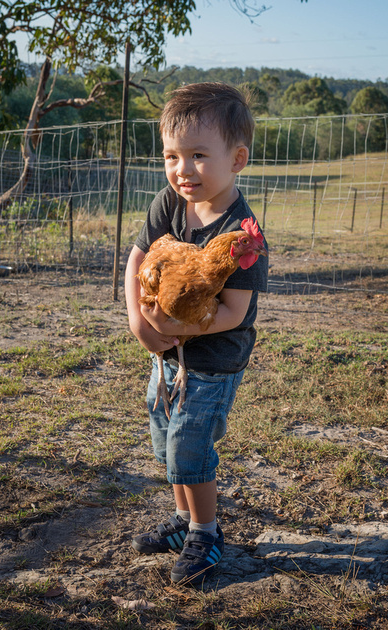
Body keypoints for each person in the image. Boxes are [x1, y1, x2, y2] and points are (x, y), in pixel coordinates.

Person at [124, 82, 268, 585]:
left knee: (190, 447)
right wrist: (139, 322)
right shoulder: (170, 202)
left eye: (199, 155)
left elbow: (233, 312)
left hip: (214, 360)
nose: (182, 169)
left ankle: (206, 533)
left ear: (238, 159)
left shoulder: (243, 231)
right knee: (165, 441)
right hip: (166, 356)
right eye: (171, 156)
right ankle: (183, 523)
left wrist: (171, 326)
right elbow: (137, 258)